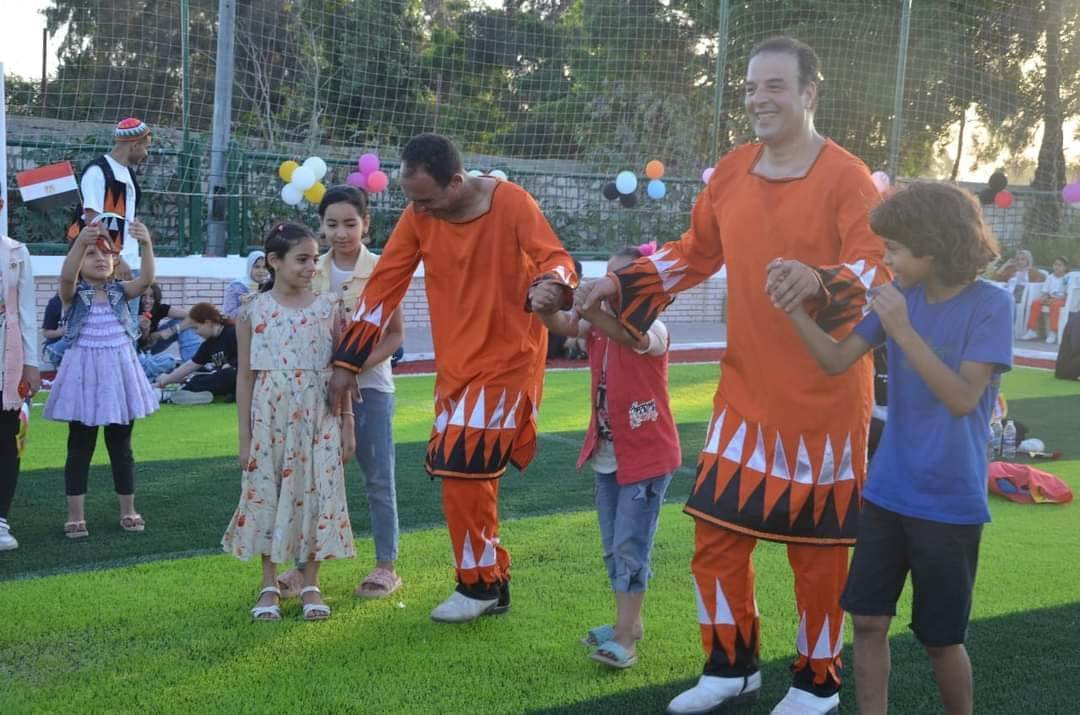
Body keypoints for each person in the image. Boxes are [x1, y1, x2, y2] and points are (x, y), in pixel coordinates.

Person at [577, 37, 889, 715]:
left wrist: (820, 279)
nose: (757, 99)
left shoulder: (848, 177)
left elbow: (874, 266)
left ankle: (817, 682)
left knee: (818, 554)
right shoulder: (728, 173)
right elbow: (693, 253)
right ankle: (730, 667)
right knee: (716, 534)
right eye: (750, 87)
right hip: (744, 392)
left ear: (808, 93)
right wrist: (620, 282)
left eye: (774, 86)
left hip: (826, 401)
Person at [329, 133, 577, 624]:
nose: (419, 210)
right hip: (456, 370)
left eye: (427, 199)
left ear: (457, 182)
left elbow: (557, 259)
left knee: (461, 467)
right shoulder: (418, 215)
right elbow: (383, 288)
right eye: (412, 200)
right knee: (468, 476)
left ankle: (477, 584)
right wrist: (346, 362)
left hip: (510, 364)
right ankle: (493, 583)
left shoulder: (513, 203)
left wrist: (554, 285)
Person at [784, 182, 1011, 715]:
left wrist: (903, 331)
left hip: (950, 503)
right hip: (887, 494)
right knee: (867, 621)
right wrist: (793, 311)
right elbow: (837, 361)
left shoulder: (991, 305)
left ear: (932, 247)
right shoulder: (899, 299)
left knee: (940, 638)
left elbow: (962, 398)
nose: (886, 260)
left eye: (895, 249)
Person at [536, 244, 680, 670]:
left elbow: (628, 335)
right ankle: (627, 623)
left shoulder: (654, 328)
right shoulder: (597, 325)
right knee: (613, 548)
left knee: (631, 545)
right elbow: (565, 324)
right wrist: (545, 306)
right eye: (607, 278)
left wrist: (590, 305)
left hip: (646, 458)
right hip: (607, 455)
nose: (608, 286)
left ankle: (626, 637)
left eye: (620, 281)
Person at [221, 222, 355, 621]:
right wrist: (244, 438)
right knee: (267, 494)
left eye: (315, 259)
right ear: (274, 261)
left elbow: (342, 370)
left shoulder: (330, 307)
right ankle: (269, 584)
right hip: (269, 420)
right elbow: (245, 377)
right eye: (302, 259)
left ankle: (311, 583)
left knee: (317, 494)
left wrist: (348, 423)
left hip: (319, 418)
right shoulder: (252, 309)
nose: (312, 267)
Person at [276, 186, 405, 600]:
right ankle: (303, 569)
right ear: (321, 226)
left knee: (378, 480)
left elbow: (395, 336)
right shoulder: (311, 268)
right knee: (312, 481)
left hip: (371, 390)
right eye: (332, 224)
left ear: (366, 224)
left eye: (350, 223)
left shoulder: (384, 269)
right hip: (317, 391)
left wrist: (349, 370)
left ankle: (386, 566)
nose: (341, 232)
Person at [44, 219, 158, 539]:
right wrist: (82, 242)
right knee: (80, 446)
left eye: (106, 253)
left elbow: (146, 279)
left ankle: (128, 510)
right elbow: (66, 277)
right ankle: (76, 515)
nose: (100, 258)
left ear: (116, 261)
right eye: (91, 254)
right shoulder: (73, 294)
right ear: (80, 261)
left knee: (121, 446)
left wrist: (146, 243)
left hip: (119, 377)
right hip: (83, 378)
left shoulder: (121, 292)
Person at [0, 196, 42, 550]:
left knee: (6, 440)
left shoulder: (16, 252)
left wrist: (32, 363)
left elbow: (26, 309)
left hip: (8, 359)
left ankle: (0, 519)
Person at [67, 118, 153, 277]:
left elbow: (126, 215)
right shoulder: (97, 172)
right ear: (135, 145)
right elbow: (93, 220)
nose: (146, 153)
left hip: (130, 262)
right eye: (146, 148)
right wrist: (116, 259)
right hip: (104, 267)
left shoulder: (128, 173)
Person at [154, 303, 238, 404]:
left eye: (196, 328)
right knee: (198, 377)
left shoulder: (233, 333)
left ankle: (172, 394)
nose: (196, 333)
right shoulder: (208, 345)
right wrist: (163, 382)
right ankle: (185, 392)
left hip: (238, 378)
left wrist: (231, 364)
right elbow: (190, 365)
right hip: (222, 380)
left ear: (207, 323)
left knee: (228, 374)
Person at [139, 282, 202, 360]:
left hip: (152, 344)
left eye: (151, 297)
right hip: (135, 351)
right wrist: (145, 330)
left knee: (181, 321)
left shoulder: (158, 308)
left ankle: (193, 361)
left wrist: (170, 331)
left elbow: (193, 316)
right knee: (168, 362)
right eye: (143, 296)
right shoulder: (133, 311)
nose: (147, 301)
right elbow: (142, 344)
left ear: (156, 298)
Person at [1022, 256, 1071, 344]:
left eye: (1060, 265)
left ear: (1065, 267)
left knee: (1055, 305)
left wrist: (1055, 299)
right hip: (1050, 298)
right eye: (1055, 264)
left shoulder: (1068, 278)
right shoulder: (1050, 277)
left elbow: (1068, 294)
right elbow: (1045, 291)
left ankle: (1053, 332)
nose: (1057, 267)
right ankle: (1032, 330)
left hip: (1062, 300)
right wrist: (1044, 298)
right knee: (1036, 303)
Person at [223, 251, 269, 319]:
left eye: (265, 267)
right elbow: (228, 315)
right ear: (249, 267)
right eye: (257, 267)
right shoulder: (237, 287)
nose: (261, 271)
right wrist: (245, 305)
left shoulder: (270, 286)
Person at [41, 293, 68, 365]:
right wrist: (61, 332)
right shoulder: (55, 303)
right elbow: (46, 333)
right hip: (59, 349)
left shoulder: (84, 301)